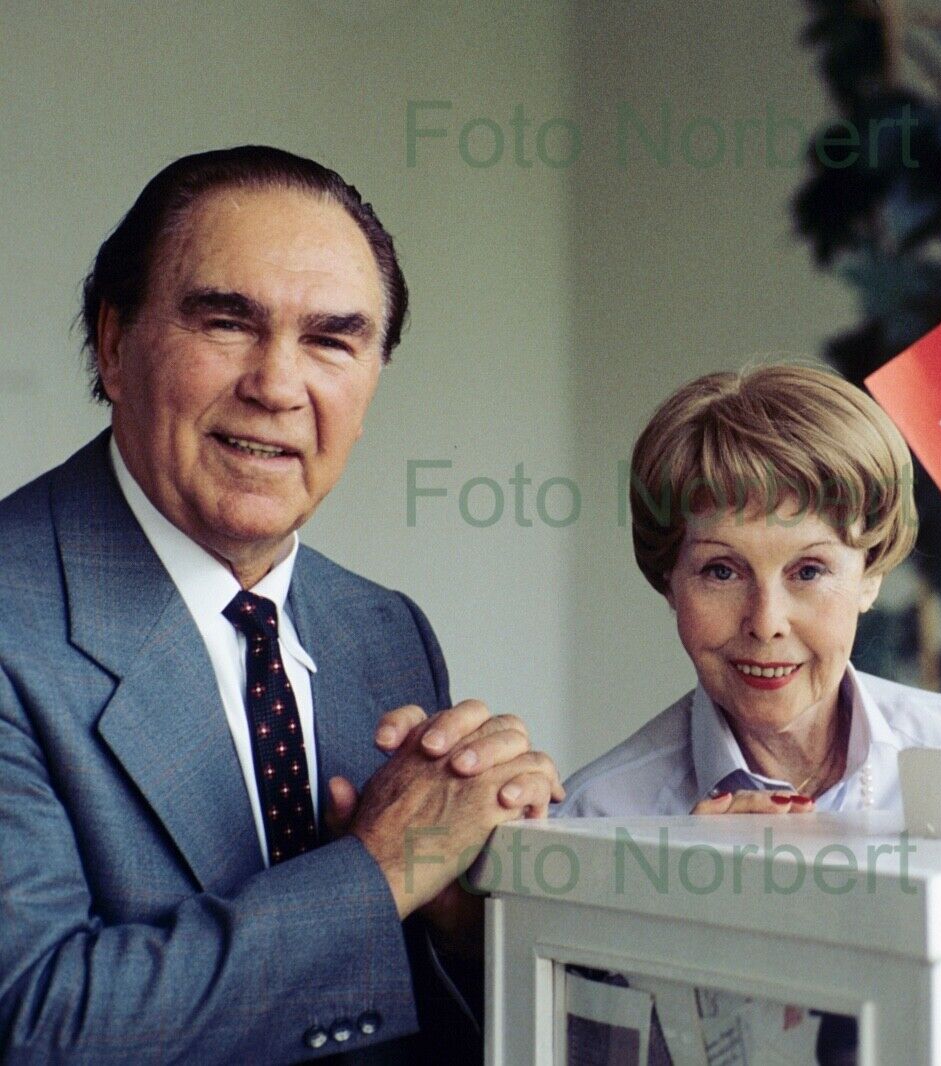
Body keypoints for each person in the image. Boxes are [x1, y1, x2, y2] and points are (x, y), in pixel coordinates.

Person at [0, 146, 563, 1063]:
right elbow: (35, 1024)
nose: (277, 386)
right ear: (112, 343)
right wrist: (381, 873)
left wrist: (469, 919)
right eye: (228, 323)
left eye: (332, 340)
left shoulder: (386, 632)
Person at [557, 364, 941, 818]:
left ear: (870, 574)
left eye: (808, 571)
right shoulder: (599, 813)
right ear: (669, 581)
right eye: (722, 572)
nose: (766, 623)